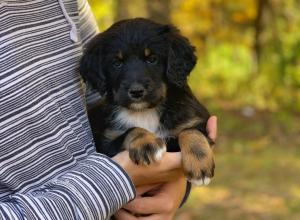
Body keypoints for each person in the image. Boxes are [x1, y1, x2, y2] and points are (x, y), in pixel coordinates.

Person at [0, 0, 217, 219]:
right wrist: (129, 145)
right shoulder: (111, 119)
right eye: (117, 63)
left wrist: (178, 182)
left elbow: (196, 133)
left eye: (152, 59)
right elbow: (104, 142)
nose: (136, 86)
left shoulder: (69, 4)